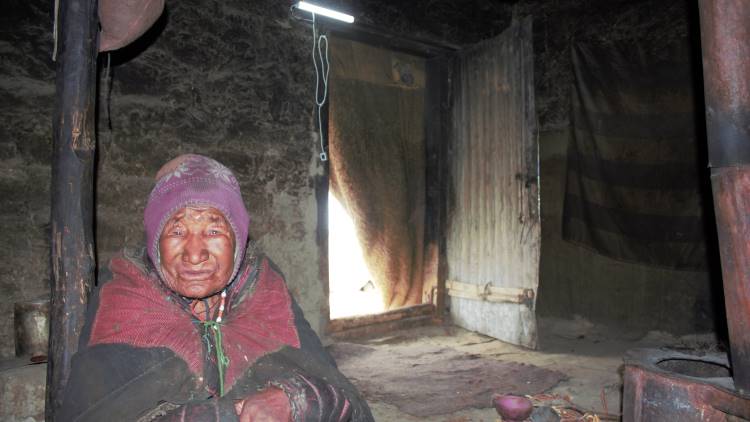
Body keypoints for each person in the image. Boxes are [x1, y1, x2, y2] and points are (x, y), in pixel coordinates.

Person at [60, 154, 373, 422]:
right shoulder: (126, 298)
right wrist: (225, 414)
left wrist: (292, 398)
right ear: (156, 240)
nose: (195, 253)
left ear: (237, 239)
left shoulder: (261, 288)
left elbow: (345, 401)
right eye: (177, 230)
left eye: (213, 229)